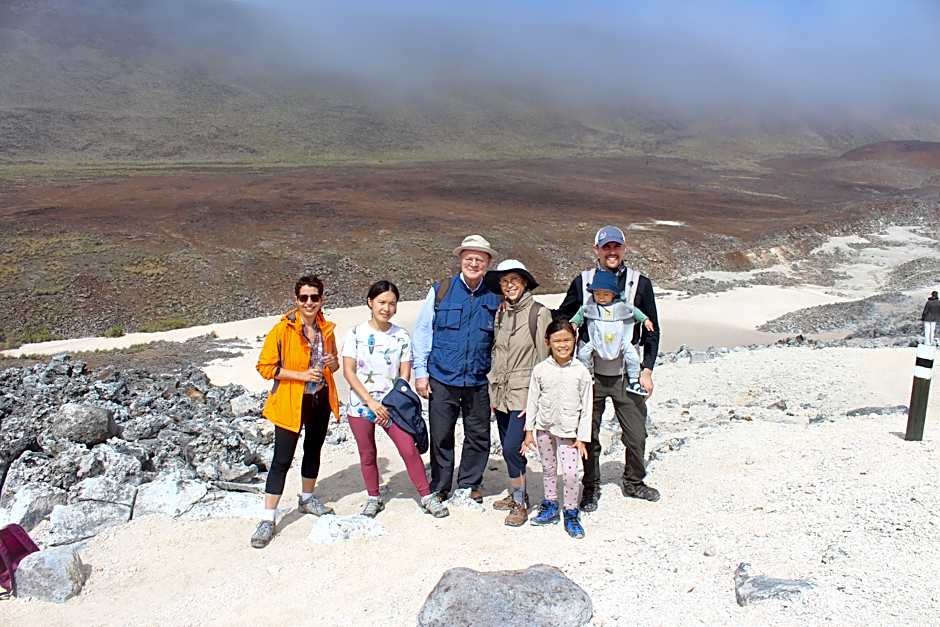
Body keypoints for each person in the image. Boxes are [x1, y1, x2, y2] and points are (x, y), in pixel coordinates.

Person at [555, 225, 662, 511]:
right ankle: (590, 486)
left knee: (636, 434)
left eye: (616, 246)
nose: (611, 252)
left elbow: (652, 329)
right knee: (588, 433)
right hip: (590, 375)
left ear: (624, 249)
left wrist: (647, 370)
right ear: (597, 250)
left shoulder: (640, 283)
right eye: (606, 247)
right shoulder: (583, 282)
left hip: (627, 374)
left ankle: (634, 481)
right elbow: (564, 316)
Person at [341, 280, 449, 519]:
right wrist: (370, 402)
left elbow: (404, 373)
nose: (386, 308)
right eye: (381, 302)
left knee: (408, 449)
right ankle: (373, 497)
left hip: (392, 406)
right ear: (370, 302)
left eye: (391, 303)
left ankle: (426, 496)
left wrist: (390, 401)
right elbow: (348, 371)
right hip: (361, 406)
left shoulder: (401, 336)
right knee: (367, 453)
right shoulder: (356, 334)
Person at [412, 235, 502, 509]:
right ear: (461, 260)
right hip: (442, 375)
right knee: (441, 434)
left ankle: (470, 484)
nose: (474, 263)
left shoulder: (495, 295)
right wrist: (420, 372)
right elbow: (423, 331)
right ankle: (440, 486)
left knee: (478, 434)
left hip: (479, 378)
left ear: (488, 263)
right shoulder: (441, 290)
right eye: (469, 258)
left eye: (480, 259)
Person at [251, 274, 341, 548]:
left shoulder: (326, 329)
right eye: (304, 297)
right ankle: (268, 518)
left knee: (313, 449)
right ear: (296, 300)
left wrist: (332, 362)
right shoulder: (282, 330)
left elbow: (334, 365)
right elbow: (265, 367)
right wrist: (300, 375)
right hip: (291, 401)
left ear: (322, 300)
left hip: (320, 399)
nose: (309, 302)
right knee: (282, 459)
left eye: (314, 297)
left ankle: (307, 498)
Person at [484, 260, 552, 526]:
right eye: (504, 281)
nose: (509, 285)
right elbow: (497, 351)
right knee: (509, 447)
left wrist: (538, 399)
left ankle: (521, 503)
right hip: (501, 391)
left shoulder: (539, 313)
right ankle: (517, 494)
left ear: (524, 282)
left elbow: (544, 359)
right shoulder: (501, 313)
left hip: (524, 394)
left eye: (514, 280)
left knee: (512, 448)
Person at [521, 319, 593, 539]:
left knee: (571, 474)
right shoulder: (540, 370)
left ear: (575, 340)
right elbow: (532, 401)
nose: (562, 345)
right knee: (549, 469)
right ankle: (550, 505)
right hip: (544, 428)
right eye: (557, 341)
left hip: (570, 433)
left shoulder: (581, 371)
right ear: (548, 342)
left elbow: (587, 408)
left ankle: (571, 512)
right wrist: (529, 431)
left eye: (567, 340)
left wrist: (582, 437)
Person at [570, 270, 656, 396]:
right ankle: (587, 376)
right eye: (597, 294)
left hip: (620, 341)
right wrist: (573, 324)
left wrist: (645, 320)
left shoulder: (622, 306)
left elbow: (634, 311)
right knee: (583, 354)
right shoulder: (590, 307)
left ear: (613, 294)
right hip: (597, 341)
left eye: (606, 294)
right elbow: (579, 315)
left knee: (633, 357)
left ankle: (633, 381)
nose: (601, 297)